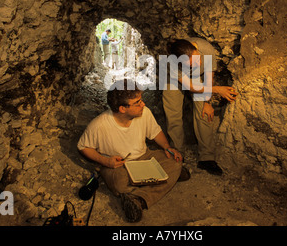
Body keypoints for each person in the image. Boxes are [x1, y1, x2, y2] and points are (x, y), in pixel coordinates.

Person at [77, 79, 189, 222]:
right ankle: (154, 188)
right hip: (119, 165)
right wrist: (105, 161)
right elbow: (83, 146)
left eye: (141, 100)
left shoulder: (144, 113)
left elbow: (155, 133)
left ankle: (137, 197)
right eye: (137, 102)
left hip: (144, 157)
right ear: (123, 108)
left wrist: (167, 147)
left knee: (174, 161)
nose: (143, 104)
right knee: (120, 182)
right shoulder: (100, 124)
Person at [162, 38, 238, 176]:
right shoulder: (171, 63)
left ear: (195, 48)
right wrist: (218, 90)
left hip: (198, 77)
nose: (199, 63)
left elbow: (209, 78)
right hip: (175, 80)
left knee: (204, 113)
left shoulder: (207, 49)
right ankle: (178, 152)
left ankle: (207, 158)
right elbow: (190, 87)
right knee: (173, 113)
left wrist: (207, 103)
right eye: (192, 64)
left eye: (198, 59)